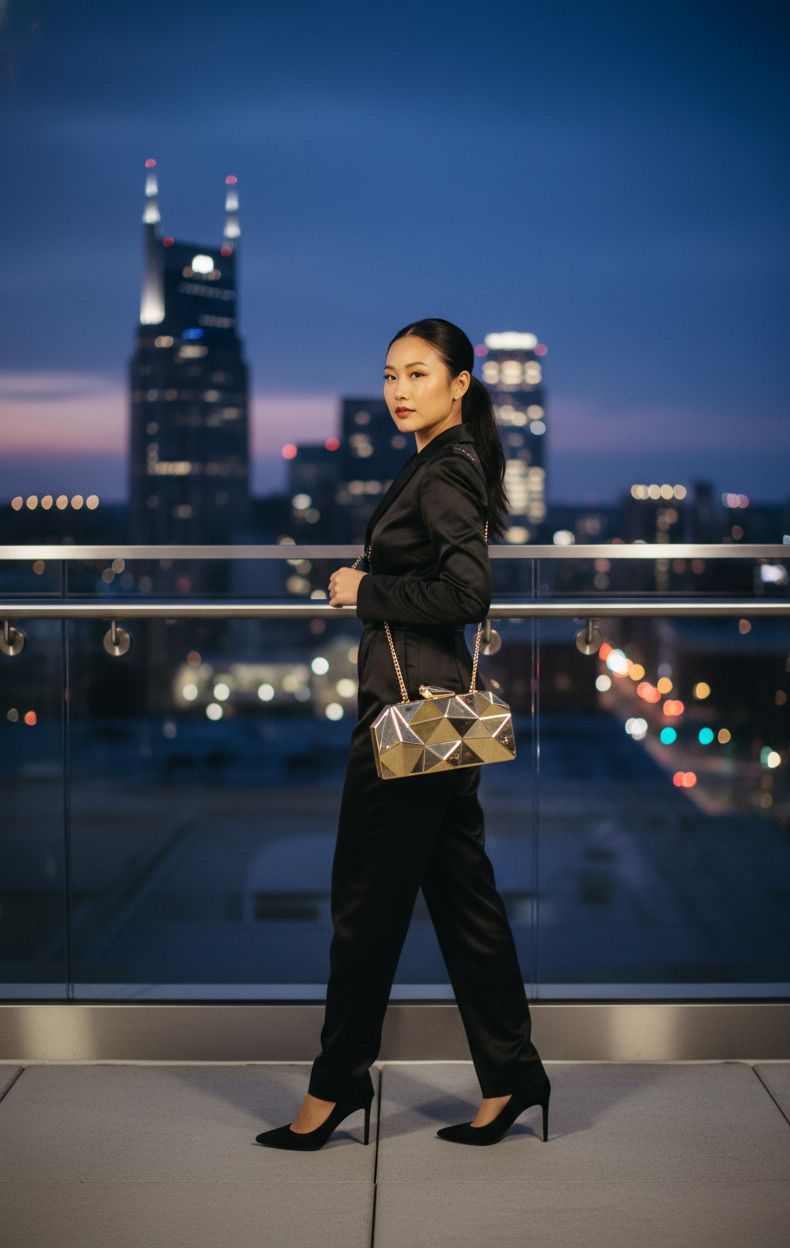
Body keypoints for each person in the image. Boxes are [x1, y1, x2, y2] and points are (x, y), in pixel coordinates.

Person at [255, 318, 550, 1152]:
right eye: (390, 375)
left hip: (409, 723)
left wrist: (365, 587)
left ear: (459, 384)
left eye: (418, 375)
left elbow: (468, 594)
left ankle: (335, 1089)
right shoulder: (440, 460)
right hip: (434, 716)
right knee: (465, 905)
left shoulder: (445, 469)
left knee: (364, 909)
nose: (398, 390)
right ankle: (514, 1074)